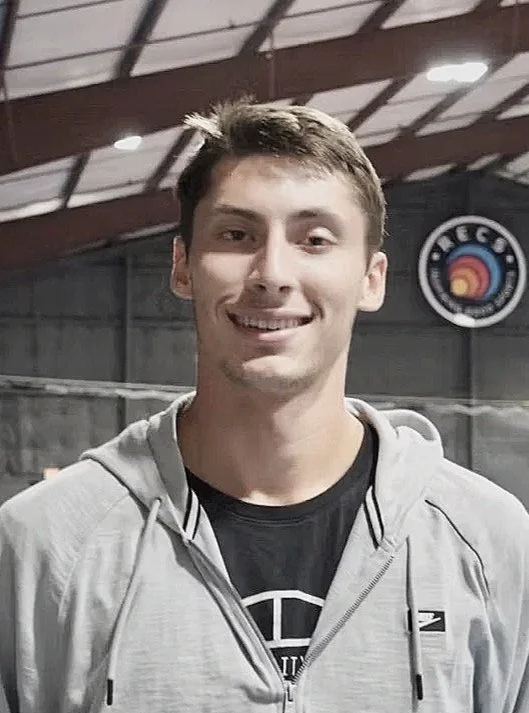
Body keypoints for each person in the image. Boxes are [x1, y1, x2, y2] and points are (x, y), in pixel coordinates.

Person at [0, 100, 528, 713]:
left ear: (371, 278)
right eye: (236, 235)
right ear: (183, 266)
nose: (272, 273)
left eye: (315, 240)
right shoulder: (44, 545)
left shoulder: (488, 541)